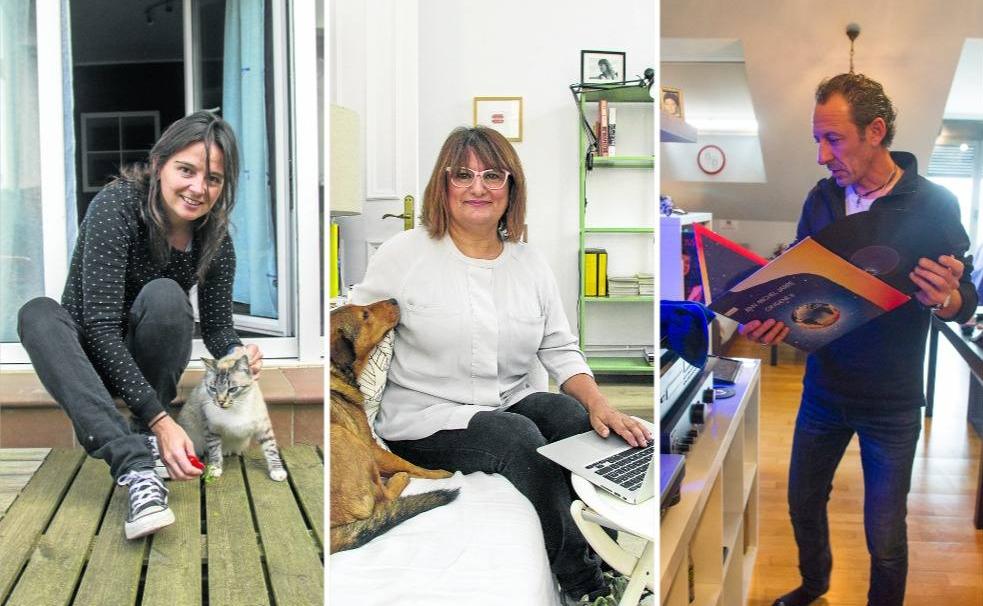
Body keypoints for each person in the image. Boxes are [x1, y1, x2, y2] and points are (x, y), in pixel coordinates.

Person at [348, 126, 651, 605]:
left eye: (493, 175)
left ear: (511, 188)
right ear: (442, 186)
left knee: (574, 421)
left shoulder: (529, 263)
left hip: (507, 398)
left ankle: (618, 547)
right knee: (518, 439)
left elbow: (559, 346)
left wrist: (600, 404)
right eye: (462, 175)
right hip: (426, 416)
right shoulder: (404, 254)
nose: (478, 187)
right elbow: (354, 328)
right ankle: (585, 585)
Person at [740, 73, 977, 606]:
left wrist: (948, 298)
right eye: (817, 140)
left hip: (891, 402)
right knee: (802, 502)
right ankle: (815, 585)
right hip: (823, 389)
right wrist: (774, 318)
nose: (823, 155)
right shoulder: (820, 200)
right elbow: (797, 285)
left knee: (885, 533)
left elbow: (966, 299)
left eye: (834, 139)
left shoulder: (935, 204)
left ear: (875, 131)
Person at [17, 111, 263, 540]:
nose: (197, 189)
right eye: (186, 170)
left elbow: (219, 327)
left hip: (142, 368)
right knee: (37, 313)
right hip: (87, 361)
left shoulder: (215, 236)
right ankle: (136, 464)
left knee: (166, 294)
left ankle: (145, 438)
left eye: (213, 179)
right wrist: (162, 421)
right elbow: (97, 326)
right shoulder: (118, 205)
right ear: (159, 162)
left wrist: (236, 354)